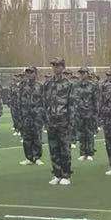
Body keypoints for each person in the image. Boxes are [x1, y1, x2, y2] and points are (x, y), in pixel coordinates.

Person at [43, 57, 76, 185]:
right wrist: (46, 120)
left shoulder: (69, 84)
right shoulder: (48, 84)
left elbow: (72, 105)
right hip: (51, 121)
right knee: (53, 149)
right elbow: (45, 102)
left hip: (64, 121)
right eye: (54, 65)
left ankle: (66, 175)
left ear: (63, 67)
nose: (55, 68)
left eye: (58, 65)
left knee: (65, 149)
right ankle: (57, 174)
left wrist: (70, 122)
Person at [16, 66, 44, 166]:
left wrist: (42, 115)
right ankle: (28, 157)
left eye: (31, 72)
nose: (29, 74)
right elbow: (19, 101)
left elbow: (44, 101)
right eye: (27, 72)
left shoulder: (40, 86)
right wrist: (19, 115)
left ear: (35, 74)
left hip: (37, 116)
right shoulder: (22, 86)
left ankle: (37, 157)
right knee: (26, 137)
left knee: (37, 136)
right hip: (26, 115)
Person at [73, 66, 99, 161]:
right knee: (81, 134)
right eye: (80, 73)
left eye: (83, 73)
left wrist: (95, 114)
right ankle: (83, 153)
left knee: (89, 133)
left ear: (88, 74)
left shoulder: (93, 85)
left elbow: (96, 100)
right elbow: (74, 99)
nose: (82, 74)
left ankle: (89, 153)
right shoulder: (76, 85)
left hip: (89, 113)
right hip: (79, 113)